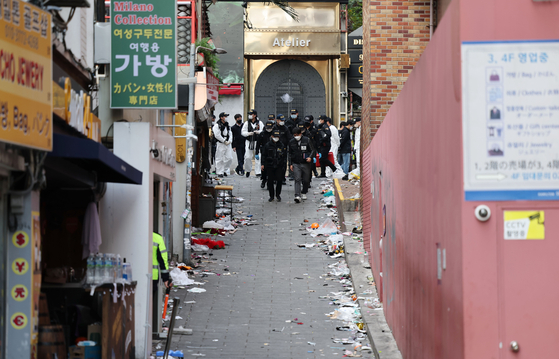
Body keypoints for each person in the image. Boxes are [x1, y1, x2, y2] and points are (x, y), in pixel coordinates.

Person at [289, 127, 316, 203]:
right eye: (294, 135)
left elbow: (312, 150)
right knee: (297, 179)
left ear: (300, 134)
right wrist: (290, 164)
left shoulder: (306, 140)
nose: (296, 136)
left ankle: (304, 192)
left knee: (306, 179)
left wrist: (310, 157)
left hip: (306, 163)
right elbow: (290, 154)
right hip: (296, 163)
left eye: (297, 134)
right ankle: (297, 195)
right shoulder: (292, 142)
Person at [261, 130, 287, 202]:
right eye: (275, 136)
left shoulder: (281, 145)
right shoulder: (267, 145)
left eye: (278, 136)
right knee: (270, 181)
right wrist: (263, 164)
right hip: (270, 165)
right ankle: (271, 196)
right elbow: (264, 155)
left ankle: (278, 194)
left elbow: (284, 156)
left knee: (279, 180)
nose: (276, 138)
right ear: (272, 136)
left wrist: (283, 164)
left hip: (279, 165)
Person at [153, 232, 170, 328]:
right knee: (149, 303)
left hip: (135, 276)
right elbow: (163, 259)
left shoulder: (136, 233)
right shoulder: (157, 238)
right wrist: (166, 278)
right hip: (153, 277)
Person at [241, 109, 264, 178]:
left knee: (258, 157)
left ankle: (258, 172)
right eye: (249, 114)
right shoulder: (246, 123)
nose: (250, 116)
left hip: (257, 141)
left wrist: (258, 132)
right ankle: (248, 170)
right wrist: (248, 133)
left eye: (251, 114)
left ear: (255, 115)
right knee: (247, 157)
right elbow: (242, 132)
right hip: (249, 141)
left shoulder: (259, 123)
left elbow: (263, 131)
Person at [212, 112, 233, 177]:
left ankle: (224, 169)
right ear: (221, 117)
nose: (226, 118)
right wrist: (224, 141)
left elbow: (230, 133)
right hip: (220, 143)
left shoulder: (227, 125)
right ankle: (219, 172)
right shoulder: (217, 125)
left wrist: (230, 140)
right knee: (219, 158)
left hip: (227, 143)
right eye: (225, 116)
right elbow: (217, 135)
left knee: (229, 158)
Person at [256, 120, 275, 188]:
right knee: (264, 168)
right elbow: (258, 144)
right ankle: (263, 180)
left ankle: (269, 182)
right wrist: (256, 152)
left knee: (271, 168)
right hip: (264, 152)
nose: (269, 129)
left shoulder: (274, 133)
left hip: (273, 152)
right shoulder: (262, 134)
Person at [274, 114, 292, 184]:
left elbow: (289, 138)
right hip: (275, 148)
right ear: (277, 120)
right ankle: (275, 178)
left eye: (283, 120)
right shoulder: (274, 127)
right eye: (281, 120)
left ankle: (282, 178)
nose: (282, 122)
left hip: (283, 148)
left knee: (283, 164)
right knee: (275, 163)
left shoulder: (285, 128)